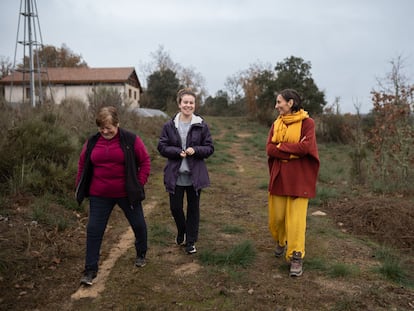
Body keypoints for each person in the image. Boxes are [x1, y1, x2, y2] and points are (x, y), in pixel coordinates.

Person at [75, 106, 151, 286]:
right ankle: (90, 270)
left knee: (139, 225)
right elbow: (82, 164)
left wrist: (138, 184)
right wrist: (79, 185)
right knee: (94, 230)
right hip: (99, 194)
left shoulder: (131, 140)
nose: (105, 131)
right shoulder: (92, 142)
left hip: (127, 193)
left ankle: (141, 253)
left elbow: (145, 161)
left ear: (118, 124)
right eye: (101, 127)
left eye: (109, 127)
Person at [266, 89, 320, 277]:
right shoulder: (276, 124)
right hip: (280, 176)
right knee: (277, 218)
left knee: (296, 220)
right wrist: (291, 152)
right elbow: (269, 149)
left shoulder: (308, 123)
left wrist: (281, 147)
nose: (276, 105)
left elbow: (306, 147)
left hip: (300, 178)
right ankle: (281, 240)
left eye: (279, 102)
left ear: (290, 103)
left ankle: (296, 256)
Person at [157, 88, 214, 254]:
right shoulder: (169, 125)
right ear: (179, 104)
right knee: (175, 208)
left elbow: (209, 148)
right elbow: (161, 146)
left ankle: (190, 241)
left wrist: (195, 150)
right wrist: (176, 152)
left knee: (193, 209)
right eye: (185, 102)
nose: (188, 105)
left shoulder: (201, 125)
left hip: (194, 176)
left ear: (195, 105)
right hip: (175, 175)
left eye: (191, 102)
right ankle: (182, 230)